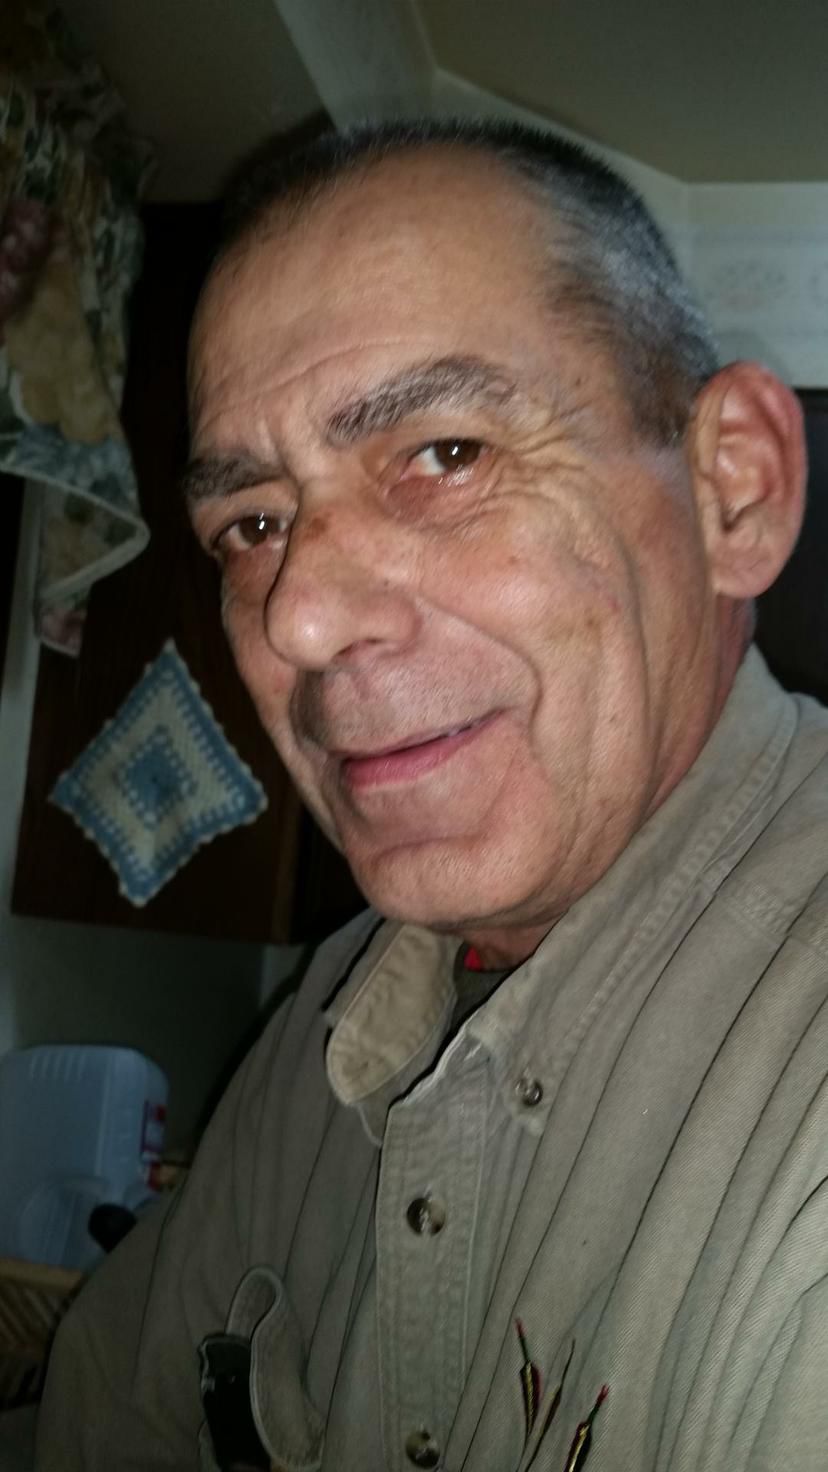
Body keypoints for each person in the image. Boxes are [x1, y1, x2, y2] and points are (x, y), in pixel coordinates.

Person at [36, 119, 828, 1472]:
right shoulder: (330, 1024)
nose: (298, 619)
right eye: (253, 525)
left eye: (446, 453)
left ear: (732, 491)